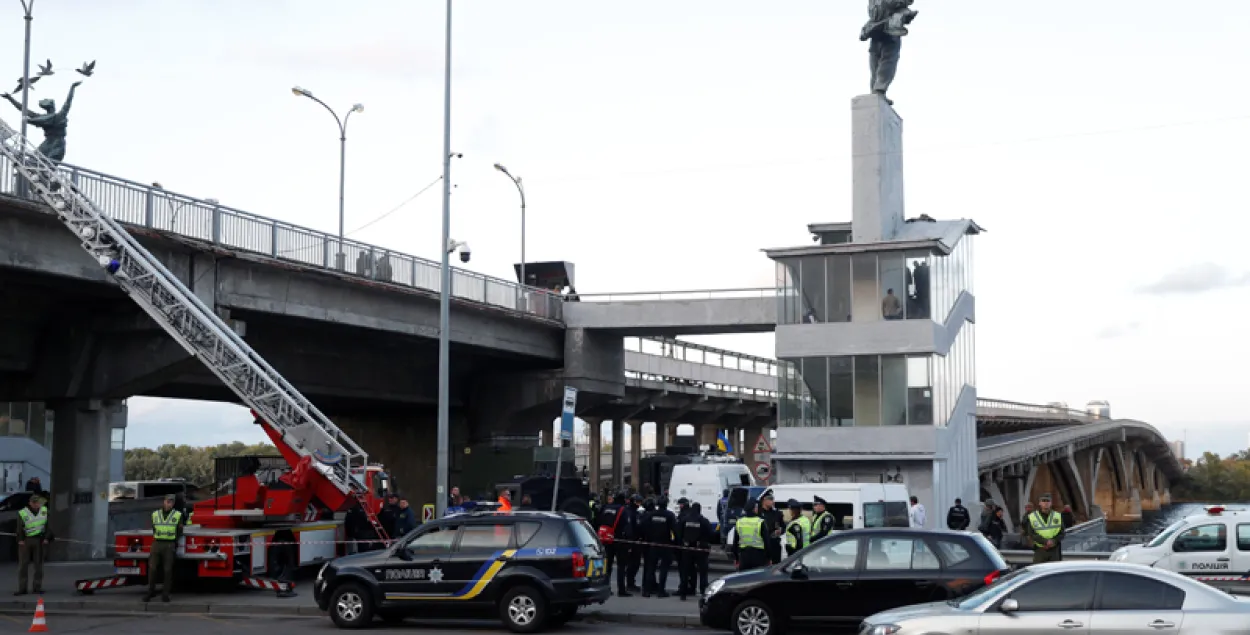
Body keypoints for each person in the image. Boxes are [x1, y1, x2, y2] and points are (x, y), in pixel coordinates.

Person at [145, 494, 183, 602]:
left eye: (171, 502)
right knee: (152, 568)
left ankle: (165, 594)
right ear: (164, 501)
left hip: (169, 544)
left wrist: (174, 541)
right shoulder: (155, 514)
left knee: (167, 570)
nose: (169, 503)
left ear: (173, 503)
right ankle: (151, 591)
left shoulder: (177, 515)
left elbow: (180, 530)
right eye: (167, 501)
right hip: (157, 543)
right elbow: (153, 527)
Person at [15, 494, 49, 596]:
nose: (36, 504)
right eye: (34, 502)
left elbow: (47, 526)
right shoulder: (23, 512)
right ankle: (22, 588)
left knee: (38, 565)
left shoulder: (44, 510)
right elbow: (19, 527)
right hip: (26, 540)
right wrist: (20, 539)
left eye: (37, 502)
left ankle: (37, 587)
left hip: (39, 540)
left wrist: (47, 538)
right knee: (23, 565)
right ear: (30, 503)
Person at [640, 498, 674, 598]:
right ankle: (661, 591)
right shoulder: (669, 515)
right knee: (663, 569)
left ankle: (646, 591)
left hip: (652, 544)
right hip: (665, 544)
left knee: (650, 568)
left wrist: (646, 539)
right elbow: (675, 530)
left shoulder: (651, 514)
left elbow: (644, 527)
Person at [1023, 493, 1065, 564]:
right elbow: (1031, 533)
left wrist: (1053, 541)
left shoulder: (1058, 516)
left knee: (1054, 572)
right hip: (1040, 549)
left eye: (1048, 501)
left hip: (1054, 550)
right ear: (1040, 503)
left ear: (1051, 503)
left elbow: (1062, 532)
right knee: (1039, 571)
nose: (1046, 503)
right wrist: (1045, 542)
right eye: (1043, 501)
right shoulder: (1032, 516)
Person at [728, 501, 769, 571]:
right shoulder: (760, 522)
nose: (757, 509)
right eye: (756, 507)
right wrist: (768, 558)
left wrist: (736, 558)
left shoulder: (739, 522)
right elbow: (767, 542)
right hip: (758, 556)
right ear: (753, 509)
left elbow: (735, 542)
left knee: (745, 579)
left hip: (744, 556)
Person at [756, 493, 784, 564]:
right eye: (770, 499)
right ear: (764, 500)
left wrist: (780, 530)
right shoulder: (758, 513)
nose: (773, 501)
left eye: (773, 499)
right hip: (763, 546)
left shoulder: (777, 513)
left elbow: (783, 526)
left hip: (775, 545)